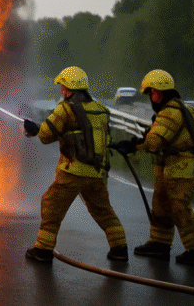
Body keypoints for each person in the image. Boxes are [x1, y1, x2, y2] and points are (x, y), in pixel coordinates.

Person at [23, 66, 128, 263]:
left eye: (62, 87)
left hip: (72, 171)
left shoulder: (65, 109)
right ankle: (120, 249)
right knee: (103, 210)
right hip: (97, 172)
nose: (61, 90)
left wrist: (36, 129)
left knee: (51, 205)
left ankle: (43, 250)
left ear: (67, 88)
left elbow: (45, 136)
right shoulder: (102, 110)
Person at [114, 69, 194, 266]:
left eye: (151, 93)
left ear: (158, 92)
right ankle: (159, 244)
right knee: (161, 204)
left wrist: (132, 146)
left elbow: (154, 142)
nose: (151, 97)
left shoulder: (170, 112)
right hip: (177, 167)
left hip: (183, 168)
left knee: (179, 207)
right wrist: (136, 143)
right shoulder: (181, 109)